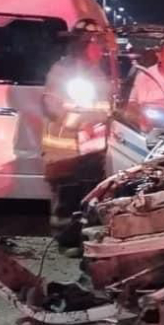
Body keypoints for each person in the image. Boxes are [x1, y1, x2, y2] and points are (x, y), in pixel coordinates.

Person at [42, 20, 114, 233]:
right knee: (66, 201)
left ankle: (80, 240)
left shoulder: (96, 72)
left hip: (89, 153)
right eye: (97, 44)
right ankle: (66, 242)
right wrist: (85, 122)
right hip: (66, 153)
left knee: (86, 201)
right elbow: (54, 108)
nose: (102, 49)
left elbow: (103, 108)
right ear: (84, 44)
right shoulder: (63, 71)